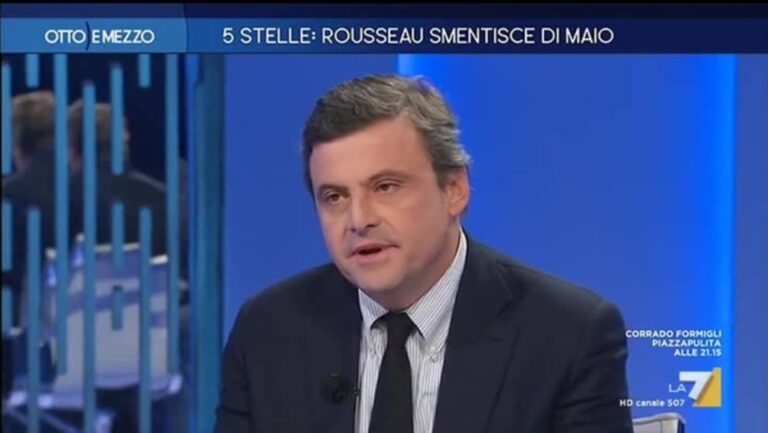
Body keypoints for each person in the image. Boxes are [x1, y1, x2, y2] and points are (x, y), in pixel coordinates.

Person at [215, 75, 633, 433]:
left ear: (454, 190)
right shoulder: (267, 331)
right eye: (335, 196)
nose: (358, 220)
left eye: (385, 187)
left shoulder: (568, 334)